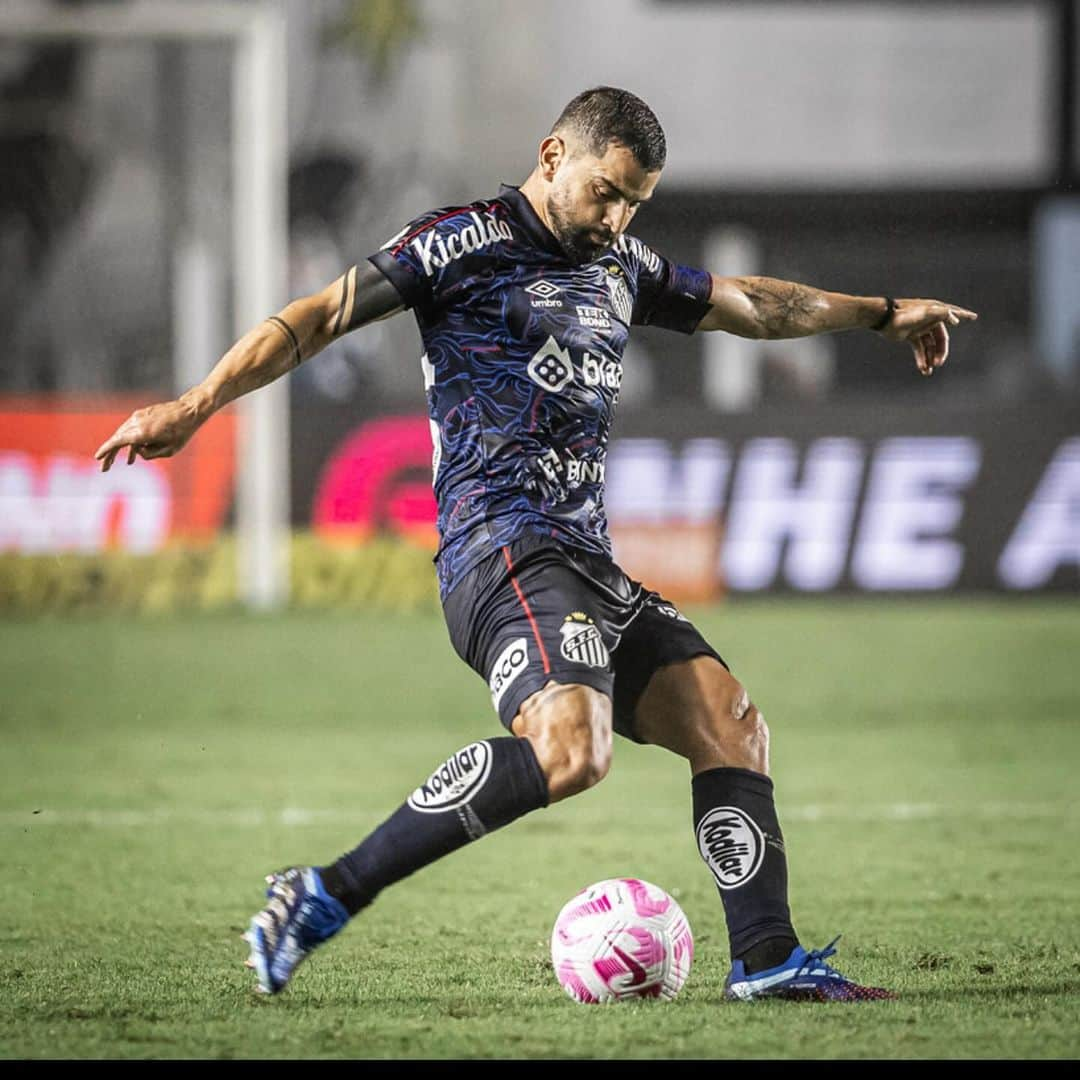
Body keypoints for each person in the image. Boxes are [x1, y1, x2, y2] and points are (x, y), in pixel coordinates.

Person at [94, 86, 977, 1002]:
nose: (618, 216)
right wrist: (193, 406)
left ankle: (766, 960)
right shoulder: (461, 243)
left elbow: (749, 305)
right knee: (571, 751)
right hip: (501, 549)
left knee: (730, 722)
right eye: (606, 191)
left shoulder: (622, 263)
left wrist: (882, 312)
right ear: (553, 156)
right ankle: (320, 894)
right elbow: (318, 315)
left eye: (637, 200)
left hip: (585, 562)